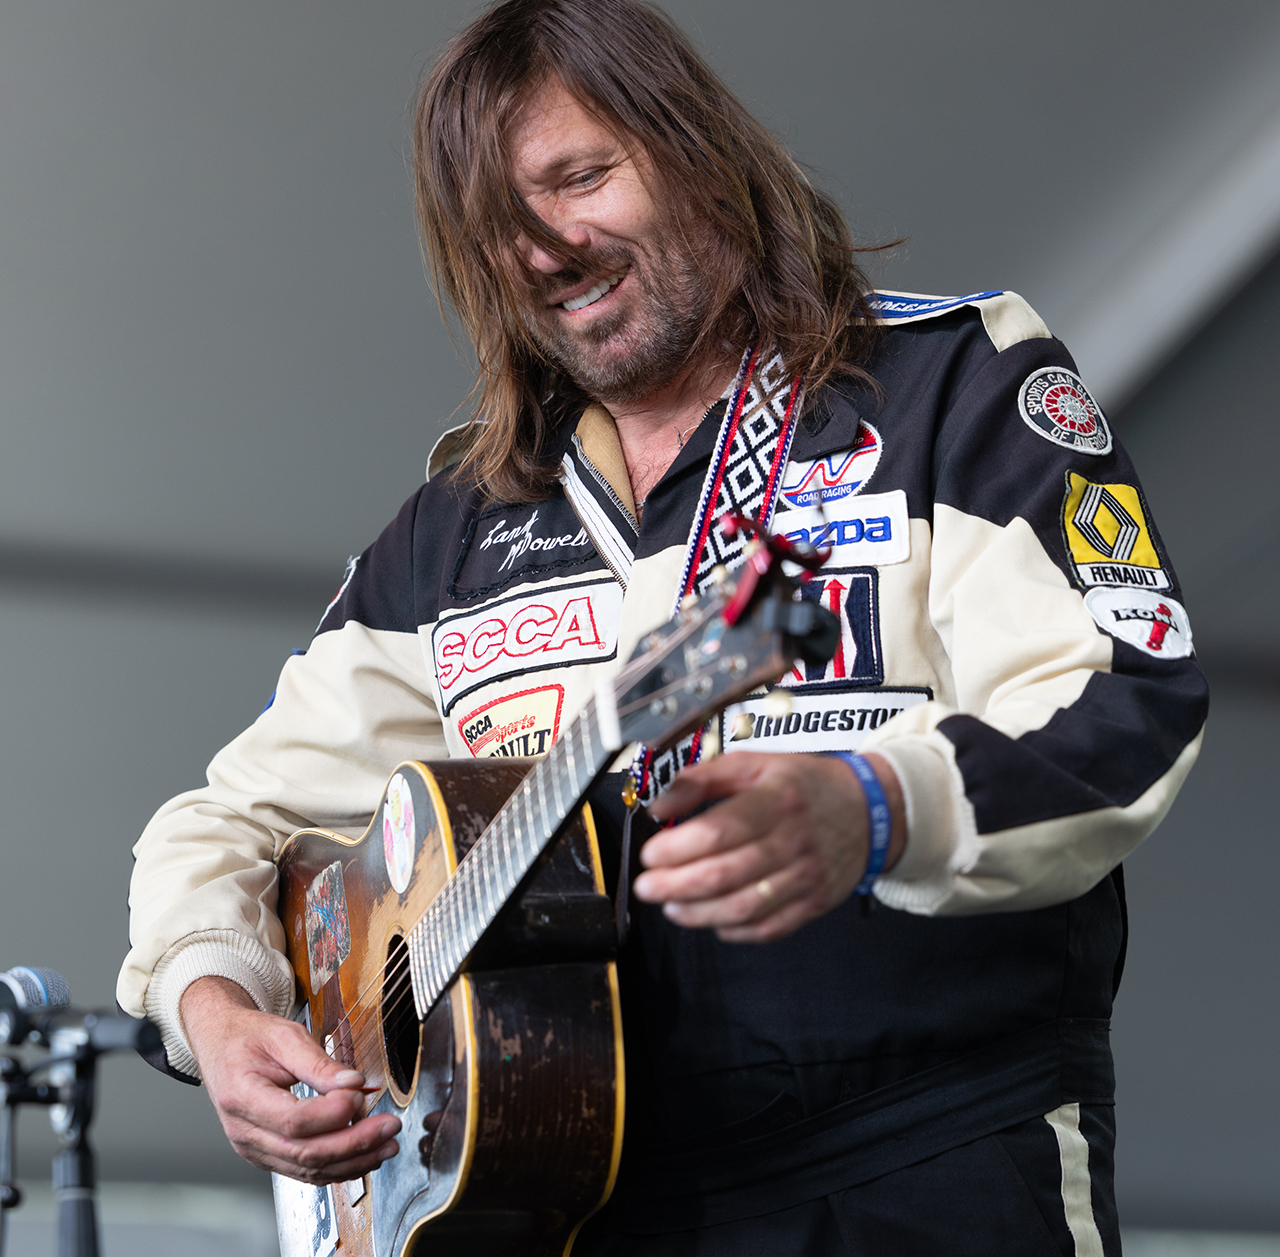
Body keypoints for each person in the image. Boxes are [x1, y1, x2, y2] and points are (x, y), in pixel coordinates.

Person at [117, 1, 1207, 1252]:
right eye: (497, 228)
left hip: (917, 1166)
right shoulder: (456, 528)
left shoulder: (942, 388)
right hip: (564, 1199)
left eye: (579, 178)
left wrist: (873, 806)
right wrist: (212, 1006)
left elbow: (1122, 698)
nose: (545, 249)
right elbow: (228, 822)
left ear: (695, 151)